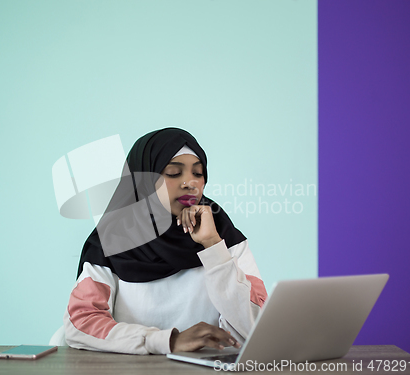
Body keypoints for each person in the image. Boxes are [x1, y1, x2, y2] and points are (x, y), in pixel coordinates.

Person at [63, 128, 267, 355]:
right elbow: (80, 324)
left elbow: (256, 331)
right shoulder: (111, 240)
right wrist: (167, 341)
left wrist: (212, 246)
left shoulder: (223, 237)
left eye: (198, 174)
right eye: (173, 173)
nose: (190, 183)